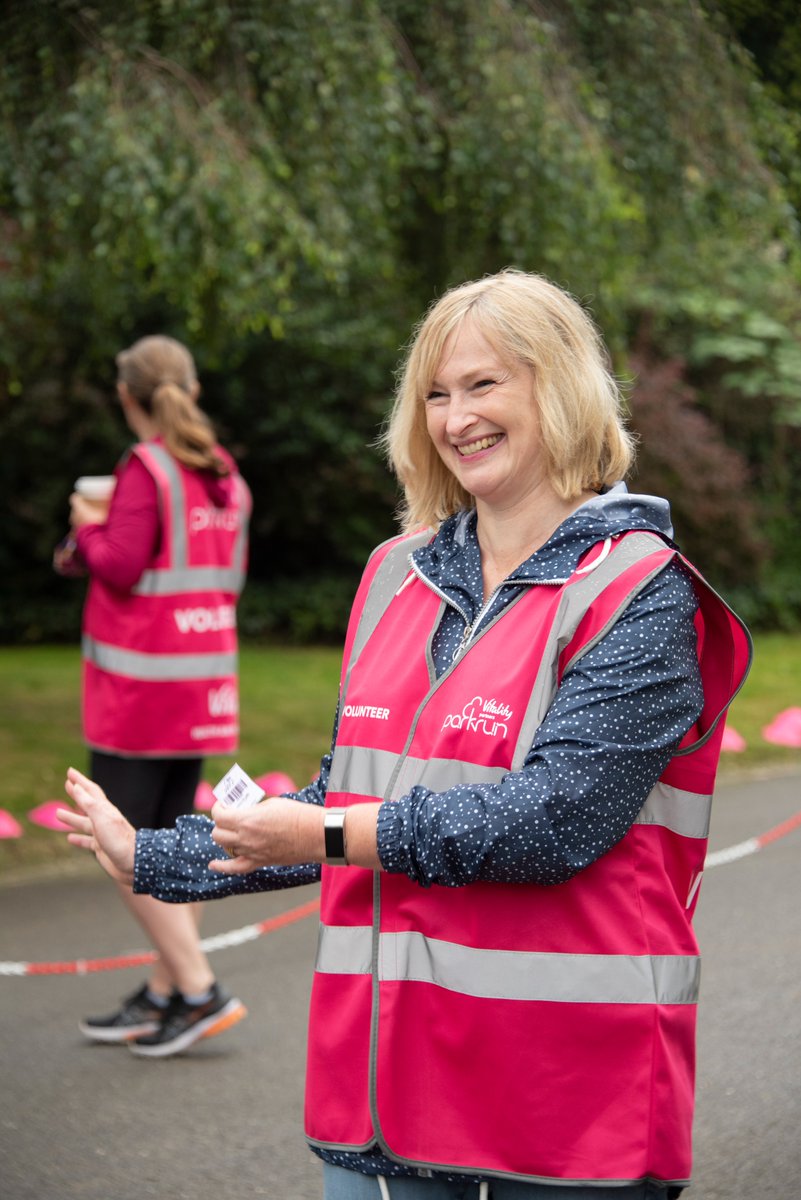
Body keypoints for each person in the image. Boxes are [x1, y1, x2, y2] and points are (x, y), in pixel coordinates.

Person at [59, 272, 751, 1195]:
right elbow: (335, 799)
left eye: (483, 384)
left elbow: (554, 821)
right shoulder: (395, 575)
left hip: (568, 1109)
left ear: (561, 387)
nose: (456, 418)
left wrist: (327, 832)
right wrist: (151, 855)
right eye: (434, 393)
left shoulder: (638, 590)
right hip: (383, 1104)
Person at [59, 334, 251, 1058]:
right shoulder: (223, 473)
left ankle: (199, 988)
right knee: (172, 840)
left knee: (125, 845)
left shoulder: (147, 467)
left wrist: (86, 531)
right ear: (191, 390)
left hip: (141, 688)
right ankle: (167, 992)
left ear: (125, 397)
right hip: (202, 683)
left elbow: (120, 563)